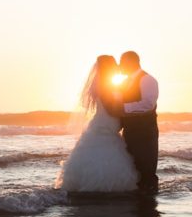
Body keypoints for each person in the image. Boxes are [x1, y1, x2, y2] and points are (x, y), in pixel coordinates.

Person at [54, 55, 139, 193]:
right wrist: (126, 111)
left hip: (104, 122)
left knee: (103, 151)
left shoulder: (105, 84)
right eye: (114, 64)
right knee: (104, 152)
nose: (117, 66)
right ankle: (100, 187)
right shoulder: (105, 86)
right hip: (105, 122)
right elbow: (112, 109)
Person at [116, 51, 159, 195]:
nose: (120, 66)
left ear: (131, 62)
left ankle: (150, 202)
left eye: (122, 63)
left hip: (145, 132)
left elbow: (148, 104)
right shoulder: (125, 81)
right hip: (130, 131)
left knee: (147, 167)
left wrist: (123, 108)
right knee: (134, 166)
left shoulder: (147, 79)